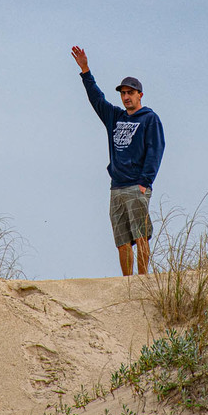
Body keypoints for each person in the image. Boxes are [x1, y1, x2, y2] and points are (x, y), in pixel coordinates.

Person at [71, 46, 165, 276]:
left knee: (140, 235)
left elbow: (156, 150)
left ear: (139, 94)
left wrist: (145, 181)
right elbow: (97, 98)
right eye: (123, 93)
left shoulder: (150, 119)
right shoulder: (115, 117)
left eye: (130, 93)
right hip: (117, 188)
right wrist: (85, 70)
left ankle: (143, 280)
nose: (126, 97)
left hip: (136, 186)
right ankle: (126, 284)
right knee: (122, 241)